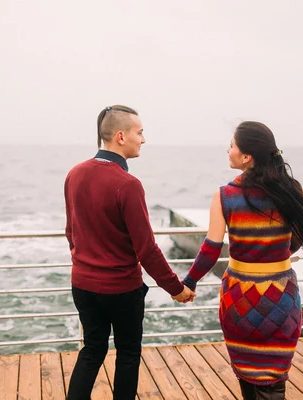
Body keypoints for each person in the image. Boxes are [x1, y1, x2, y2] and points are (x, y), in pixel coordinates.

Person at [182, 121, 303, 400]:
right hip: (280, 297)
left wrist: (188, 283)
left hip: (239, 300)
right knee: (273, 380)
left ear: (246, 156)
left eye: (232, 145)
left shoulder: (225, 196)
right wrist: (273, 254)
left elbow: (211, 249)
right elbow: (296, 240)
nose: (228, 150)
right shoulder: (291, 190)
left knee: (247, 376)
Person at [64, 105, 195, 400]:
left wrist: (87, 265)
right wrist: (176, 289)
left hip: (82, 285)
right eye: (140, 132)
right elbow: (146, 249)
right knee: (127, 354)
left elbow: (71, 232)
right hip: (121, 289)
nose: (144, 139)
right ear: (121, 136)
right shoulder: (128, 184)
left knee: (92, 349)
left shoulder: (75, 173)